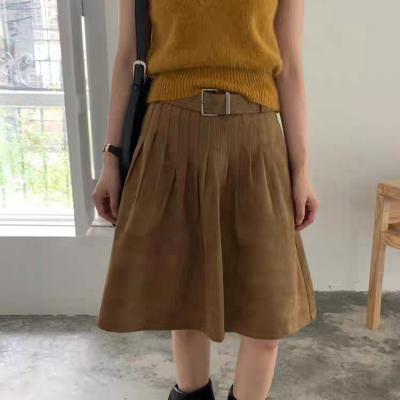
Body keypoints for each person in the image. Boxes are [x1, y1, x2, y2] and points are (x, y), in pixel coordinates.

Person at [93, 0, 319, 399]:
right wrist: (111, 159)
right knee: (186, 303)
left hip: (256, 139)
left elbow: (290, 68)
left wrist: (301, 170)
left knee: (268, 318)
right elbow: (127, 59)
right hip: (170, 136)